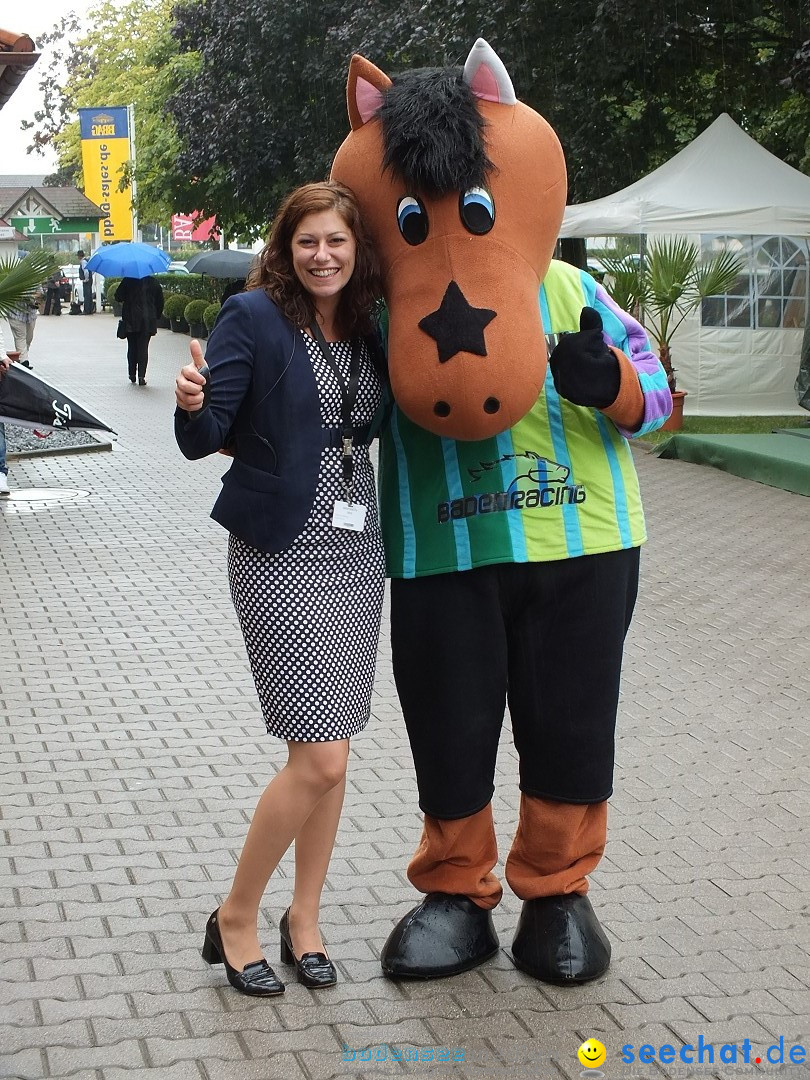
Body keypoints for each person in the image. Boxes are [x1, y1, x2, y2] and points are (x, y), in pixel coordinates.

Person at [330, 42, 672, 985]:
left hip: (584, 546)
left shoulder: (574, 290)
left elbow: (660, 394)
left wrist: (613, 387)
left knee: (570, 721)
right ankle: (456, 890)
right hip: (439, 550)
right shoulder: (374, 311)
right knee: (450, 721)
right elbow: (319, 397)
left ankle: (558, 891)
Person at [174, 181, 387, 997]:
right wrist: (193, 402)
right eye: (308, 242)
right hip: (282, 551)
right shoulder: (254, 316)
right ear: (285, 246)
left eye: (337, 241)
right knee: (321, 757)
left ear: (356, 248)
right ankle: (236, 915)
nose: (323, 255)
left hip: (357, 544)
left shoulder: (365, 324)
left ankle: (306, 919)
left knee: (330, 753)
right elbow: (203, 434)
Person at [115, 275, 165, 385]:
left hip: (130, 319)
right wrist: (156, 316)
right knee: (143, 348)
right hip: (147, 320)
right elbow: (160, 302)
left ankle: (131, 374)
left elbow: (118, 296)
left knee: (132, 347)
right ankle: (141, 376)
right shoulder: (154, 282)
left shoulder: (128, 280)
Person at [6, 289, 40, 368]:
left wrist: (37, 297)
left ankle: (23, 357)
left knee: (29, 338)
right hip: (16, 314)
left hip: (31, 315)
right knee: (20, 337)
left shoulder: (35, 279)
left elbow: (39, 292)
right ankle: (24, 362)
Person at [77, 250, 94, 314]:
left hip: (86, 280)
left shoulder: (83, 262)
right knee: (89, 295)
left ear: (79, 256)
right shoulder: (87, 260)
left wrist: (86, 279)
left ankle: (86, 310)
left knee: (86, 295)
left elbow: (86, 271)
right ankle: (90, 310)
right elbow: (91, 271)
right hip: (90, 279)